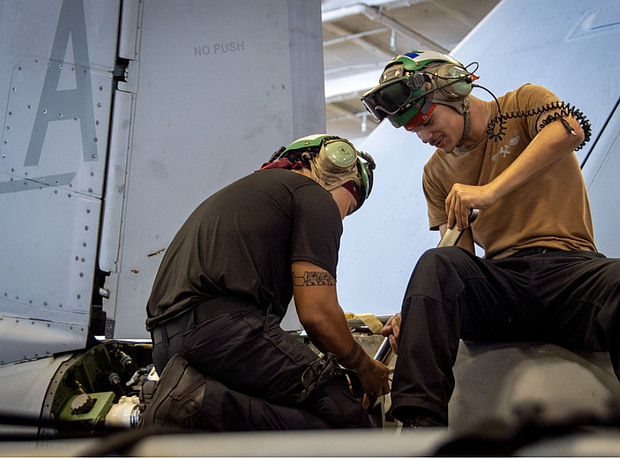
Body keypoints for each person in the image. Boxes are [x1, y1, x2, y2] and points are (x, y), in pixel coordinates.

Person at [361, 50, 620, 428]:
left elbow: (570, 130)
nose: (423, 136)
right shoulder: (435, 173)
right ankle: (420, 428)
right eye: (413, 130)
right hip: (505, 285)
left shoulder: (524, 102)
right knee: (436, 266)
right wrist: (421, 310)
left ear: (458, 90)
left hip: (572, 273)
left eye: (426, 122)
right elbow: (457, 260)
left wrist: (491, 191)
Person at [140, 134, 390, 431]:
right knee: (345, 412)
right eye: (349, 207)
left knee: (289, 418)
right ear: (336, 169)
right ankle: (201, 403)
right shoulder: (314, 195)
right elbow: (317, 313)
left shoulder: (244, 196)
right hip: (224, 333)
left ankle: (196, 404)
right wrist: (362, 365)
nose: (342, 219)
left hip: (166, 349)